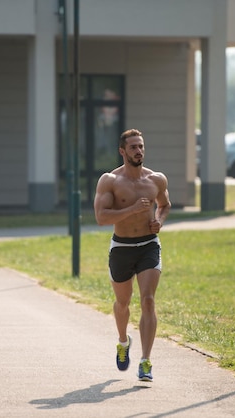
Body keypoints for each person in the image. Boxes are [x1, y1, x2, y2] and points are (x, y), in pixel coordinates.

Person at [93, 128, 171, 382]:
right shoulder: (110, 181)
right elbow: (102, 218)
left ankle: (146, 361)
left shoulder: (156, 179)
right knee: (123, 304)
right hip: (122, 248)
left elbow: (165, 205)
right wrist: (133, 209)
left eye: (141, 146)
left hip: (149, 245)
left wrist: (158, 220)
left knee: (148, 300)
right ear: (122, 151)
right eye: (134, 147)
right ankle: (123, 341)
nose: (139, 151)